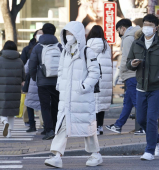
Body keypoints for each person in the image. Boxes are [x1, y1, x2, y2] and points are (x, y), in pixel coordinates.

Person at [44, 21, 102, 168]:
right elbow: (61, 71)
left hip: (81, 97)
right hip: (66, 97)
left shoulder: (87, 51)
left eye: (71, 33)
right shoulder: (65, 51)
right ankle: (57, 156)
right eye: (66, 33)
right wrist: (59, 85)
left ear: (78, 34)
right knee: (62, 125)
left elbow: (95, 72)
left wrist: (84, 86)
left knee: (87, 127)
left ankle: (95, 155)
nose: (69, 36)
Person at [127, 14, 159, 160]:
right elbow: (128, 62)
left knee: (151, 118)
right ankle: (158, 138)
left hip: (157, 87)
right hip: (141, 87)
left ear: (156, 28)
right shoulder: (136, 43)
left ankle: (149, 150)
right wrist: (132, 64)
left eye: (150, 25)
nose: (147, 27)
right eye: (145, 24)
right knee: (141, 119)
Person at [105, 19, 144, 134]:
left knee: (137, 102)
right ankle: (118, 125)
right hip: (134, 74)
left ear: (123, 28)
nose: (119, 34)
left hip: (130, 74)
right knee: (128, 103)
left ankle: (145, 127)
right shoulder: (136, 35)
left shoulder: (127, 39)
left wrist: (119, 73)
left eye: (119, 31)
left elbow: (125, 59)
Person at [29, 23, 62, 140]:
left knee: (45, 106)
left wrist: (35, 77)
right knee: (55, 105)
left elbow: (32, 65)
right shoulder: (59, 46)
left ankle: (49, 130)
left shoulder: (38, 47)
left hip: (43, 81)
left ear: (43, 32)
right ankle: (54, 127)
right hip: (57, 81)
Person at [0, 40, 25, 138]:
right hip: (15, 88)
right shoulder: (19, 61)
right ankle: (9, 132)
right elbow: (23, 76)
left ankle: (4, 122)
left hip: (2, 88)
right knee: (12, 111)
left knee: (2, 109)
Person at [86, 25, 112, 135]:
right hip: (105, 78)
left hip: (93, 76)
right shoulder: (106, 45)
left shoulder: (87, 44)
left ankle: (94, 127)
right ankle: (100, 126)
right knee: (100, 104)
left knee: (92, 103)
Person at [21, 29, 43, 127]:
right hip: (30, 79)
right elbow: (23, 64)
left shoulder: (41, 47)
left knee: (32, 101)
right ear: (34, 36)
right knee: (29, 101)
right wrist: (23, 78)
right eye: (39, 33)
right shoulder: (27, 48)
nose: (40, 35)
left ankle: (39, 123)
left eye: (42, 33)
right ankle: (28, 121)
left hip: (35, 78)